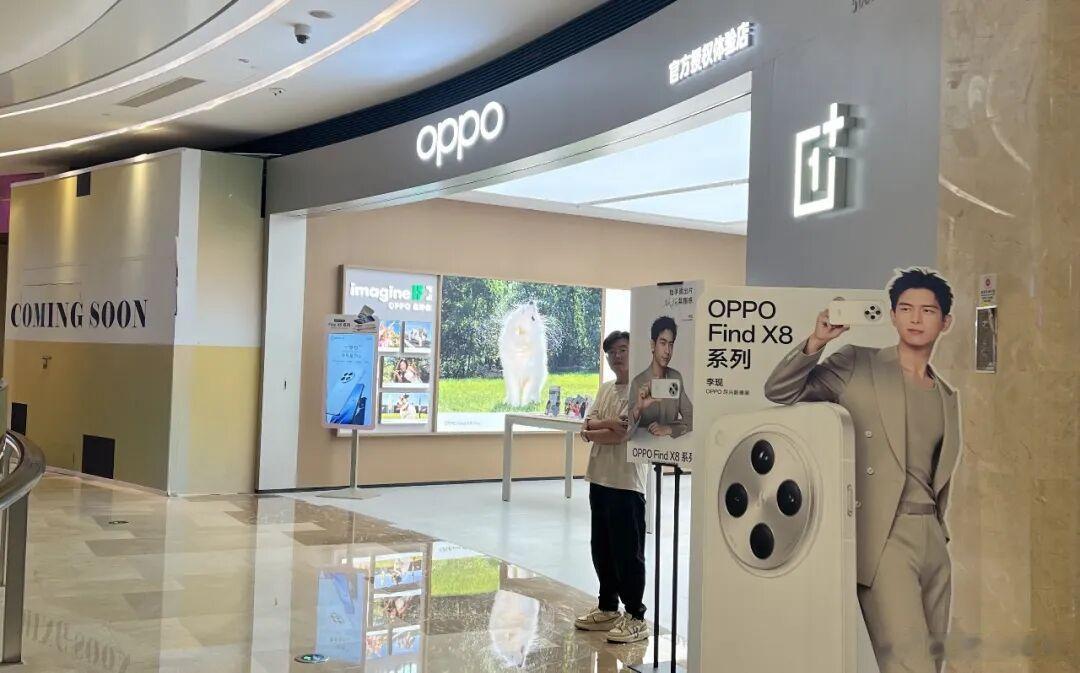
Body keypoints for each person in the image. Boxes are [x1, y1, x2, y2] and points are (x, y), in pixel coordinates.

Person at [763, 268, 961, 673]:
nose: (915, 318)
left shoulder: (947, 395)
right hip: (883, 536)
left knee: (933, 662)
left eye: (927, 310)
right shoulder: (858, 363)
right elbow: (780, 390)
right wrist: (817, 341)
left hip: (933, 540)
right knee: (910, 665)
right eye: (905, 308)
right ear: (892, 315)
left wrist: (939, 534)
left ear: (946, 322)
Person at [574, 330, 650, 644]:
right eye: (611, 353)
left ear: (634, 352)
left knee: (627, 552)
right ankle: (608, 607)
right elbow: (586, 425)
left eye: (622, 350)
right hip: (600, 478)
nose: (616, 357)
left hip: (627, 482)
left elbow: (622, 434)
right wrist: (601, 425)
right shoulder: (606, 388)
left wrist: (595, 429)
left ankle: (635, 616)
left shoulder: (642, 390)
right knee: (602, 548)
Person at [630, 316, 693, 437]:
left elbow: (692, 417)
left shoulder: (676, 378)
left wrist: (670, 429)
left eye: (671, 344)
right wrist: (638, 408)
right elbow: (626, 430)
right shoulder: (638, 382)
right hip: (644, 447)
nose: (667, 351)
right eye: (663, 343)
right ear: (653, 345)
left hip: (671, 448)